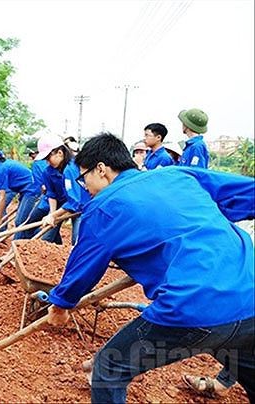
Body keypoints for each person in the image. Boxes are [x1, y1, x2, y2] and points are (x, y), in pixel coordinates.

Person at [46, 133, 254, 403]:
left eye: (83, 177)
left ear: (101, 169)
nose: (84, 186)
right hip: (250, 296)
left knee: (108, 369)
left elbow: (82, 267)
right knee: (238, 355)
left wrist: (61, 305)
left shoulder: (104, 207)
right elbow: (246, 195)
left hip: (194, 303)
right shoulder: (178, 175)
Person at [36, 134, 91, 245]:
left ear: (60, 153)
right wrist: (52, 215)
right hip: (65, 206)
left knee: (77, 241)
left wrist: (53, 215)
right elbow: (51, 194)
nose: (47, 162)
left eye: (48, 158)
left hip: (83, 209)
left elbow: (74, 201)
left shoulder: (72, 168)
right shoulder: (48, 172)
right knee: (45, 237)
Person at [0, 149, 39, 240]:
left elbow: (2, 197)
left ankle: (19, 244)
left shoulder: (2, 169)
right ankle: (5, 235)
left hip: (31, 189)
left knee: (20, 220)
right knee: (19, 218)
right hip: (22, 189)